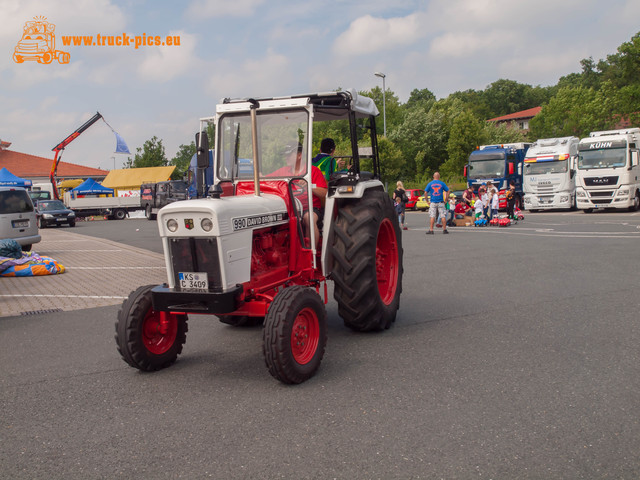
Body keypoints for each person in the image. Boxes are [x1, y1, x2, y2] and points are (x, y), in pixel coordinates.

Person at [274, 143, 328, 242]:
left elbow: (324, 192)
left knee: (309, 219)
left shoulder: (313, 171)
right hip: (289, 208)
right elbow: (267, 180)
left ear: (299, 155)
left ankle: (311, 254)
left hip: (309, 207)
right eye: (285, 155)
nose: (286, 158)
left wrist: (309, 186)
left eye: (289, 155)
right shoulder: (282, 171)